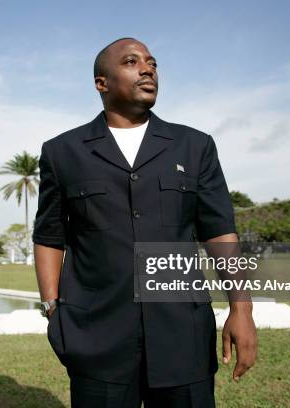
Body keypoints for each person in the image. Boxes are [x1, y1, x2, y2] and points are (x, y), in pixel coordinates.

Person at [32, 37, 257, 408]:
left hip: (183, 335)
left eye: (152, 62)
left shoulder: (194, 146)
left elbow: (219, 232)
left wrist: (241, 308)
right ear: (101, 83)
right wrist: (52, 308)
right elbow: (49, 237)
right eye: (132, 62)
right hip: (97, 339)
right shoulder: (61, 152)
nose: (148, 68)